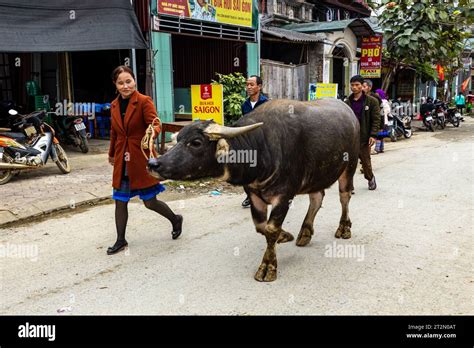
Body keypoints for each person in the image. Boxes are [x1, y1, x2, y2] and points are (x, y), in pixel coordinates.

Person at [107, 65, 183, 255]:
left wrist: (151, 134)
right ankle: (121, 240)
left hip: (140, 159)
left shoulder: (143, 101)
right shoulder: (114, 105)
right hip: (122, 160)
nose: (125, 86)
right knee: (120, 200)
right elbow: (114, 132)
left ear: (134, 81)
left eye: (128, 81)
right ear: (115, 85)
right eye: (120, 83)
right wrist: (111, 154)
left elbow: (155, 123)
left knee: (150, 202)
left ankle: (175, 219)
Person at [345, 75, 381, 191]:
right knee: (348, 163)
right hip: (350, 137)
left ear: (362, 86)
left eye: (357, 85)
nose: (354, 87)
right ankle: (349, 185)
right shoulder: (346, 102)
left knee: (365, 162)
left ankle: (370, 178)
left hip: (364, 137)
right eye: (352, 85)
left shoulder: (372, 101)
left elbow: (376, 119)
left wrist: (373, 135)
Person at [240, 75, 268, 208]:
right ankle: (250, 196)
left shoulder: (267, 104)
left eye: (252, 84)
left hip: (264, 143)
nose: (249, 87)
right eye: (247, 85)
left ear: (259, 86)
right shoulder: (244, 105)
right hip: (248, 143)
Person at [374, 88, 391, 154]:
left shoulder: (380, 102)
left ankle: (377, 149)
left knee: (378, 135)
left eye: (377, 93)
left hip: (381, 121)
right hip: (385, 121)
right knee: (381, 136)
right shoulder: (386, 102)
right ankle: (381, 148)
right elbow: (388, 111)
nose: (376, 94)